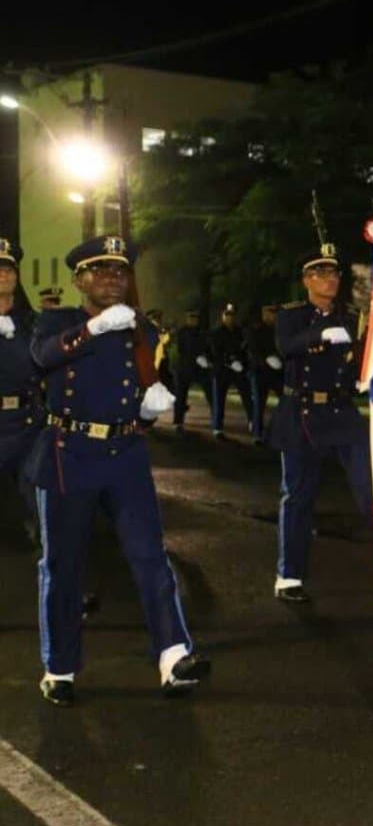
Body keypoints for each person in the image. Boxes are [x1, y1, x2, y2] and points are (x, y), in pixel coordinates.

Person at [26, 235, 209, 706]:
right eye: (100, 270)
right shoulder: (57, 320)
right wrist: (95, 330)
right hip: (70, 451)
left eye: (120, 272)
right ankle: (60, 666)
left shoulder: (141, 330)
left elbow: (136, 387)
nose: (112, 279)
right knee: (63, 565)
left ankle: (173, 654)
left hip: (125, 452)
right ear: (79, 280)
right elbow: (44, 357)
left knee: (150, 555)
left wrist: (151, 407)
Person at [266, 244, 371, 603]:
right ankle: (289, 574)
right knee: (298, 495)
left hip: (341, 413)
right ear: (306, 280)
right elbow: (286, 346)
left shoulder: (353, 315)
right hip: (302, 412)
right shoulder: (291, 315)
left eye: (335, 273)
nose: (330, 280)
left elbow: (362, 358)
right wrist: (319, 335)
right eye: (321, 273)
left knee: (371, 489)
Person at [0, 237, 43, 546]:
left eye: (9, 269)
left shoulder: (33, 324)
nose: (3, 274)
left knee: (38, 494)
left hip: (27, 421)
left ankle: (55, 576)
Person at [208, 303, 254, 439]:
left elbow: (245, 350)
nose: (230, 318)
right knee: (219, 400)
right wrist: (229, 361)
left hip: (238, 369)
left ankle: (253, 422)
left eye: (232, 315)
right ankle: (218, 427)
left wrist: (243, 364)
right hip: (222, 370)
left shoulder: (240, 332)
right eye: (227, 315)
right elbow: (215, 352)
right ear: (222, 316)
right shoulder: (216, 332)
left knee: (247, 397)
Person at [246, 303, 283, 445]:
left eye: (275, 313)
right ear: (264, 314)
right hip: (259, 372)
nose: (273, 316)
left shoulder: (280, 330)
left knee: (286, 401)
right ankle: (257, 433)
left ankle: (277, 430)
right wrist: (265, 359)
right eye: (270, 313)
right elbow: (252, 351)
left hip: (277, 372)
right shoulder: (256, 330)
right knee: (259, 404)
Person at [172, 310, 212, 431]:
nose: (193, 320)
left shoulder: (202, 332)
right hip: (184, 367)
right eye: (191, 318)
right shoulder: (182, 332)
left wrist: (206, 358)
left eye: (195, 318)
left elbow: (208, 348)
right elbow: (180, 350)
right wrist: (195, 357)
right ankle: (178, 422)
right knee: (180, 396)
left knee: (211, 392)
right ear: (187, 319)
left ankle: (216, 419)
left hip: (200, 368)